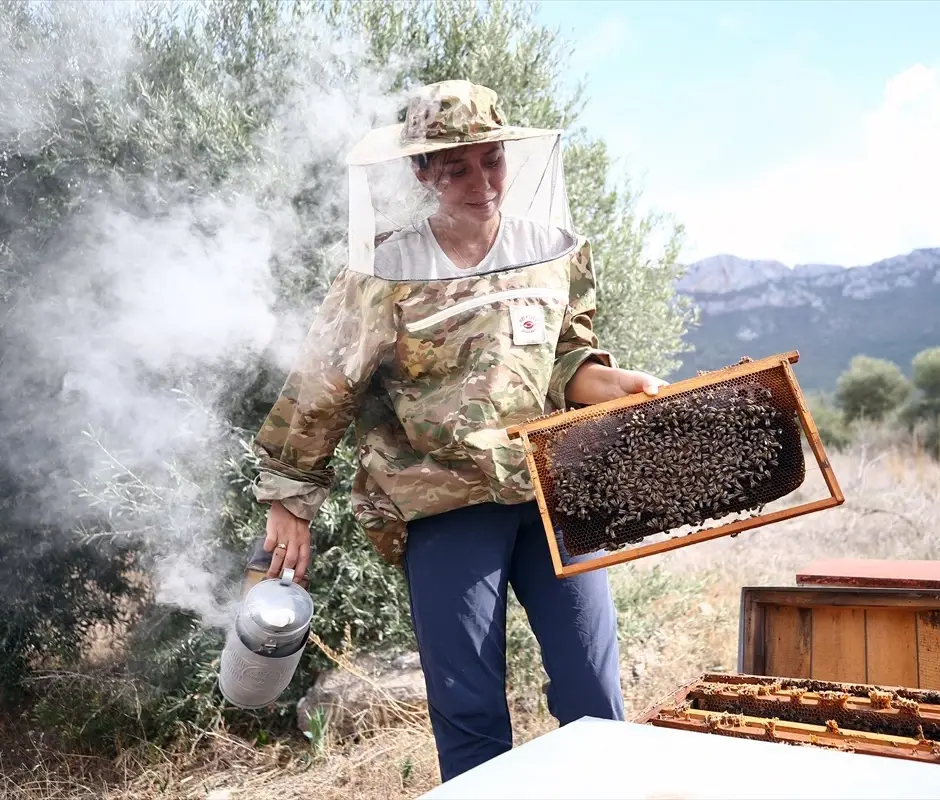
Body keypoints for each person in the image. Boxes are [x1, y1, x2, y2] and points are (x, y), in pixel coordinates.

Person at [243, 80, 666, 782]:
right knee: (470, 708)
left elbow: (567, 356)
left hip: (551, 487)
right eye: (456, 168)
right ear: (421, 173)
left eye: (491, 160)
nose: (482, 182)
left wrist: (613, 382)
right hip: (444, 503)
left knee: (592, 687)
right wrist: (290, 496)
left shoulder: (551, 250)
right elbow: (324, 383)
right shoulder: (383, 270)